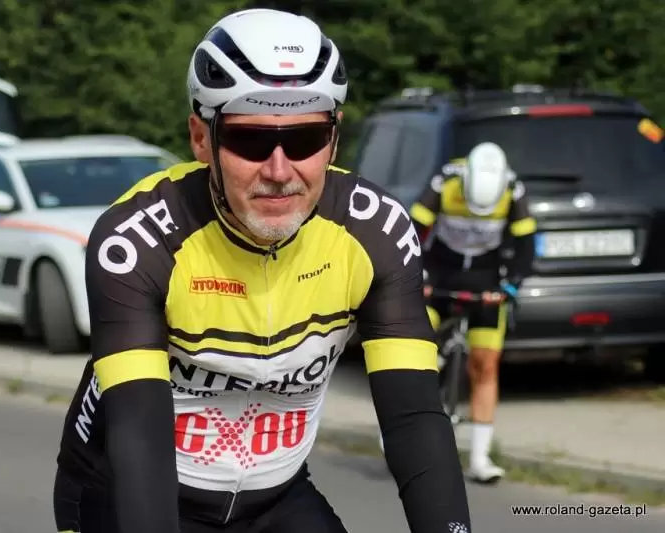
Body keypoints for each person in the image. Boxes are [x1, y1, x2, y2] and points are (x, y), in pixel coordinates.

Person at [53, 8, 471, 533]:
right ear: (201, 139)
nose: (278, 170)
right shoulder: (139, 241)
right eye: (250, 140)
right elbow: (139, 435)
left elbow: (413, 419)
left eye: (305, 140)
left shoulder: (376, 233)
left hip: (275, 497)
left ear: (334, 140)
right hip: (128, 490)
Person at [409, 142, 537, 484]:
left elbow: (527, 246)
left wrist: (512, 285)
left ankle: (479, 458)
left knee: (485, 363)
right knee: (414, 346)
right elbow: (411, 231)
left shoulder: (513, 189)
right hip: (441, 272)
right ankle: (402, 425)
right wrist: (415, 274)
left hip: (486, 278)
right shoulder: (446, 181)